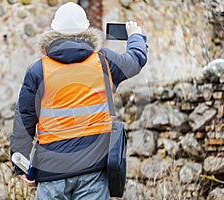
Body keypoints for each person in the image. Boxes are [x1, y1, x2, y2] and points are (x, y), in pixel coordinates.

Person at [10, 2, 148, 199]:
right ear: (86, 29)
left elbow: (24, 119)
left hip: (51, 173)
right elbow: (136, 59)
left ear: (53, 30)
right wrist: (135, 35)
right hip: (93, 172)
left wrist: (21, 165)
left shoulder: (37, 70)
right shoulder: (104, 62)